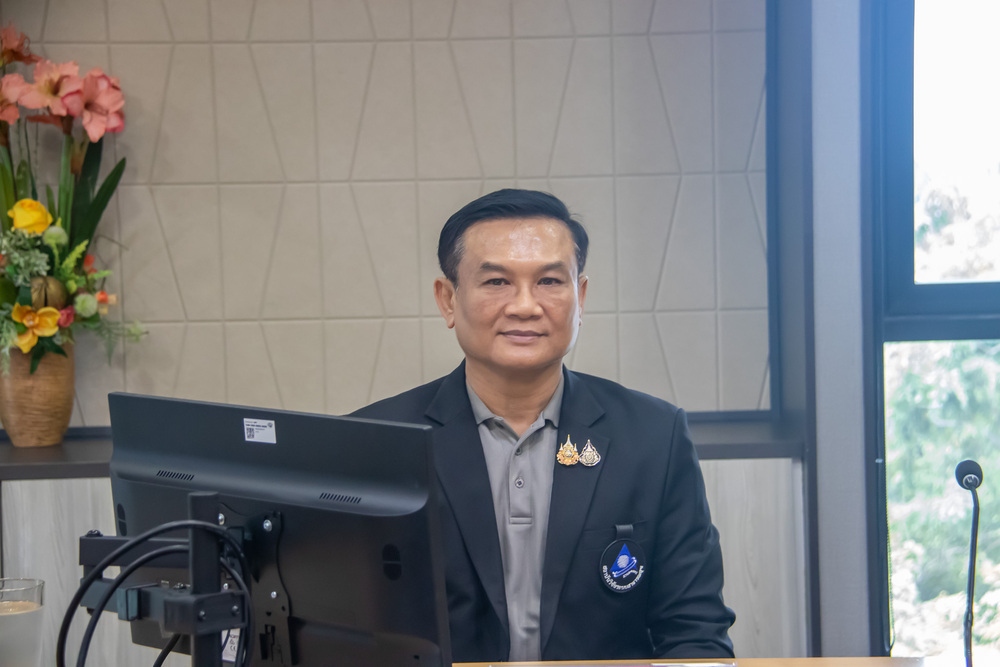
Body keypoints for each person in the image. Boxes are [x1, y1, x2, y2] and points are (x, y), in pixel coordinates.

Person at [352, 189, 736, 662]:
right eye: (496, 281)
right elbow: (347, 632)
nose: (525, 306)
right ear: (448, 300)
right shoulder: (377, 442)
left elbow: (695, 630)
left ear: (581, 297)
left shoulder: (654, 437)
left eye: (550, 281)